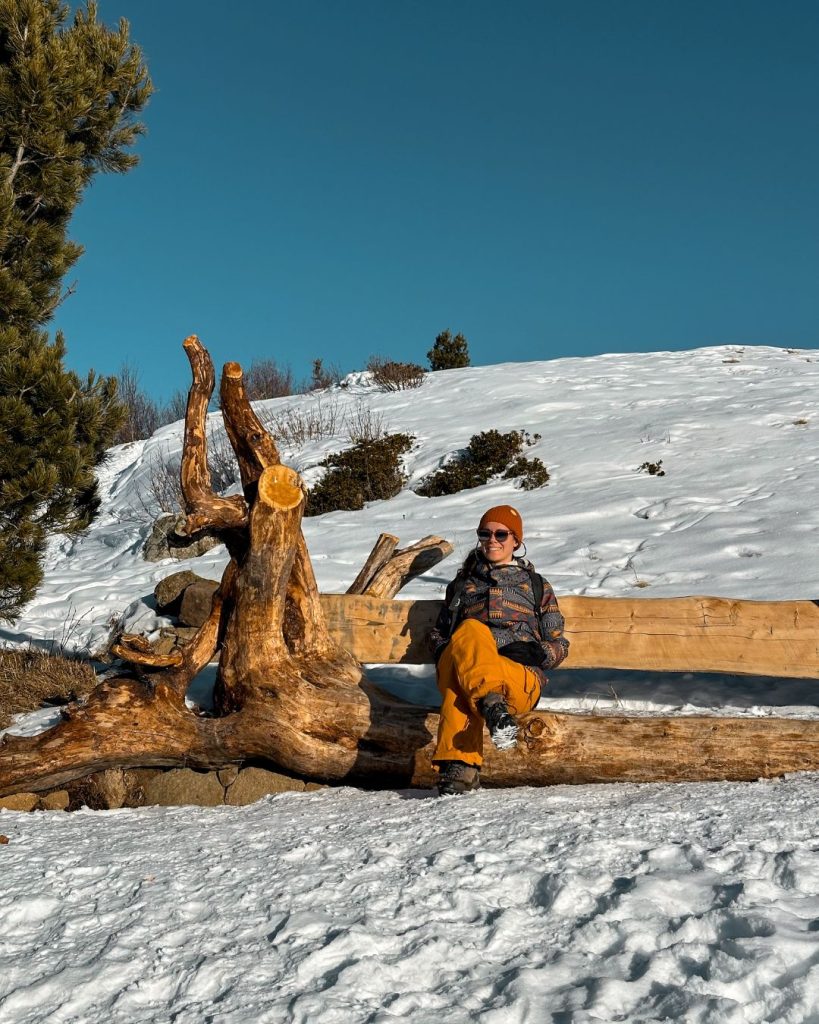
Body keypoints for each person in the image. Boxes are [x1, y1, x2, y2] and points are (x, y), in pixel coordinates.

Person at [428, 504, 569, 796]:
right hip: (466, 668)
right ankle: (492, 708)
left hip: (518, 679)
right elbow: (438, 633)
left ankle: (460, 767)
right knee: (469, 632)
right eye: (485, 533)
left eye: (501, 534)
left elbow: (560, 643)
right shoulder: (462, 585)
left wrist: (539, 653)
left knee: (461, 687)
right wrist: (447, 652)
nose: (492, 540)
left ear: (516, 541)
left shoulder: (536, 585)